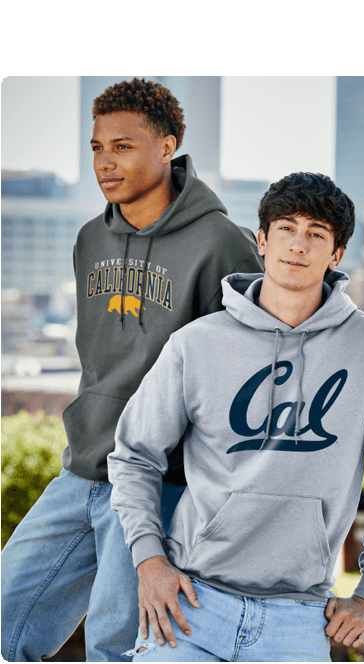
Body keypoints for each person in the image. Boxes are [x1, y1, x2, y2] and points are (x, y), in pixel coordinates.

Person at [108, 172, 364, 661]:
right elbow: (134, 456)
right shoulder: (198, 344)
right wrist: (149, 560)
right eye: (285, 228)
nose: (298, 245)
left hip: (297, 619)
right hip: (191, 607)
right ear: (261, 239)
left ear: (336, 254)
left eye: (316, 234)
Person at [0, 78, 264, 661]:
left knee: (118, 646)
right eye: (96, 147)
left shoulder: (222, 244)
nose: (104, 162)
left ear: (167, 147)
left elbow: (251, 378)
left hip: (161, 482)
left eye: (122, 146)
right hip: (85, 470)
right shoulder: (90, 239)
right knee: (6, 619)